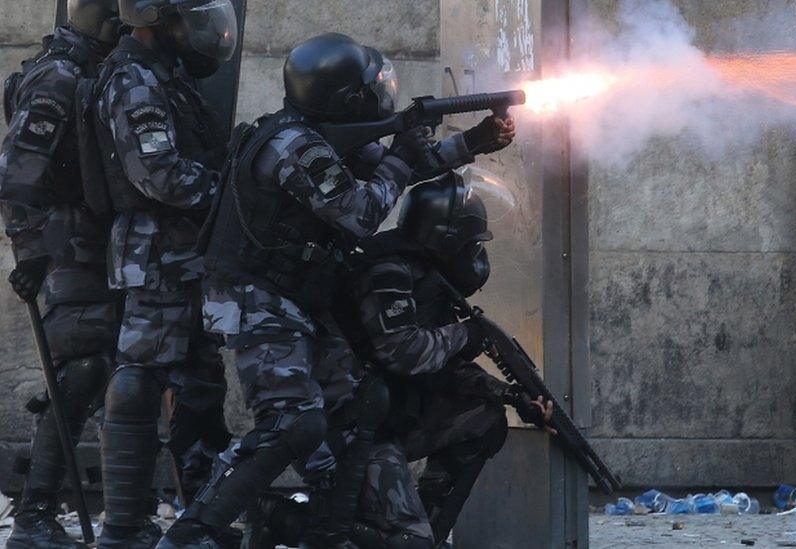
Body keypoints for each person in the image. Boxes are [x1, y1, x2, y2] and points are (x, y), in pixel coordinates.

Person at [157, 32, 516, 548]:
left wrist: (473, 142)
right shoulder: (294, 145)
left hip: (295, 296)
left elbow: (400, 166)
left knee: (352, 413)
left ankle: (324, 525)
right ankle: (195, 532)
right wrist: (398, 154)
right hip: (254, 298)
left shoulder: (321, 133)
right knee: (292, 423)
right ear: (348, 98)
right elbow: (361, 212)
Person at [86, 0, 239, 546]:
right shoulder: (134, 81)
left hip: (188, 250)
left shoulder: (166, 77)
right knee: (141, 374)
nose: (200, 31)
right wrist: (237, 197)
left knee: (201, 378)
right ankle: (122, 526)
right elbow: (160, 176)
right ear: (155, 18)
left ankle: (200, 518)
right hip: (155, 251)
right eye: (187, 19)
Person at [332, 174, 552, 549]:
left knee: (484, 418)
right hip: (351, 431)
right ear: (446, 240)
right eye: (468, 245)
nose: (474, 255)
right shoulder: (388, 271)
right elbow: (403, 352)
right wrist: (468, 334)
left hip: (387, 418)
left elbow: (444, 366)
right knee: (407, 542)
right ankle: (289, 521)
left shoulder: (424, 279)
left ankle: (423, 528)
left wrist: (511, 395)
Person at [0, 2, 123, 547]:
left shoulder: (95, 68)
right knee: (83, 367)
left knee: (91, 366)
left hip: (94, 240)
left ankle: (41, 501)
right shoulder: (61, 75)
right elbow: (20, 169)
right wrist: (29, 251)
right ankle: (34, 514)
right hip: (68, 242)